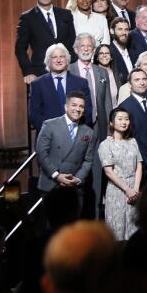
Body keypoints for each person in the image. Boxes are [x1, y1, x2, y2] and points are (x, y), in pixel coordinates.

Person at [35, 91, 95, 224]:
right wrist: (57, 175)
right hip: (51, 185)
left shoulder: (89, 132)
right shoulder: (50, 125)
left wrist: (78, 179)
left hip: (74, 188)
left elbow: (88, 160)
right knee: (51, 230)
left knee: (72, 231)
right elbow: (41, 153)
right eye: (74, 105)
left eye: (81, 106)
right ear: (66, 107)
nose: (78, 109)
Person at [17, 0, 78, 84]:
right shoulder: (27, 18)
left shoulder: (65, 14)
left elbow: (73, 41)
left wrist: (72, 63)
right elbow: (20, 48)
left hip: (67, 71)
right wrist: (28, 72)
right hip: (39, 73)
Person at [97, 107, 143, 240]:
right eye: (120, 119)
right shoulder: (106, 145)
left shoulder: (133, 142)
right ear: (111, 123)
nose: (124, 122)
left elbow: (139, 166)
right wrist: (127, 190)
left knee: (134, 230)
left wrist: (135, 189)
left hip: (134, 190)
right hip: (116, 190)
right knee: (117, 230)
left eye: (127, 119)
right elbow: (109, 172)